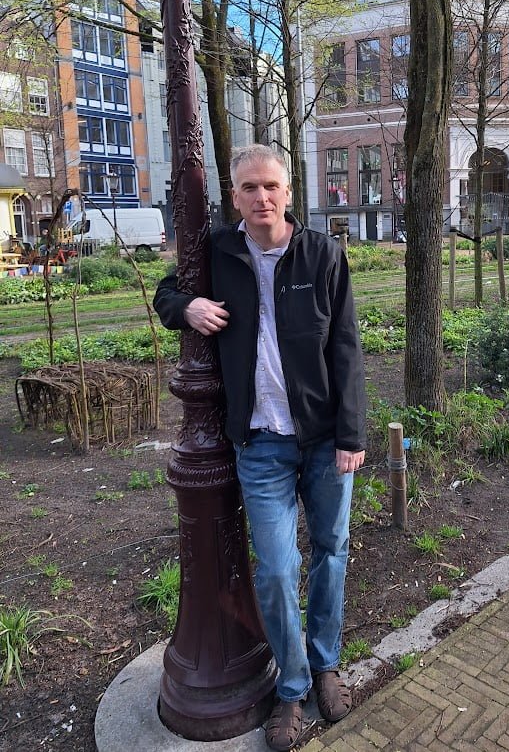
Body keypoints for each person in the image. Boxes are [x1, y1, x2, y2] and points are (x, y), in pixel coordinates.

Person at [153, 144, 366, 751]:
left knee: (330, 551)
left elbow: (347, 349)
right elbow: (168, 293)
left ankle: (325, 666)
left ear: (289, 190)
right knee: (275, 570)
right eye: (249, 188)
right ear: (236, 195)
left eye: (271, 186)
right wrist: (186, 306)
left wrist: (351, 436)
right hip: (261, 445)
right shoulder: (218, 252)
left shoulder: (322, 253)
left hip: (325, 441)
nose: (261, 198)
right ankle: (292, 688)